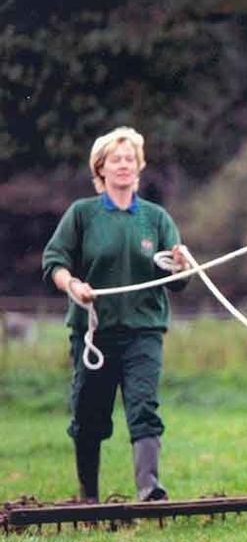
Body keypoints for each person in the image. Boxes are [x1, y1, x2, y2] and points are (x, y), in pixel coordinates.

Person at [42, 126, 190, 503]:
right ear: (101, 169)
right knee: (89, 414)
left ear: (139, 168)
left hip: (144, 332)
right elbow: (53, 262)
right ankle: (88, 497)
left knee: (144, 407)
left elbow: (177, 283)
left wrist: (178, 265)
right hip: (94, 333)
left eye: (130, 159)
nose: (124, 165)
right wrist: (72, 285)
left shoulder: (156, 220)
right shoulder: (82, 215)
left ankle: (149, 490)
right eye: (116, 159)